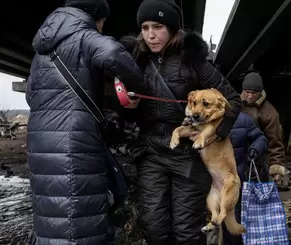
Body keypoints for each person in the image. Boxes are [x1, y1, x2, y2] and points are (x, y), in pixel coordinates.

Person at [120, 0, 242, 244]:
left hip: (188, 157)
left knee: (186, 231)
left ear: (173, 29)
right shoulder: (135, 61)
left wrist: (214, 134)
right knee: (154, 229)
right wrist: (127, 106)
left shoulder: (193, 61)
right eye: (144, 28)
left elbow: (232, 100)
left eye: (158, 27)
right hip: (151, 153)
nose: (150, 35)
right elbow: (124, 111)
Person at [26, 0, 146, 244]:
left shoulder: (42, 51)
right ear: (95, 17)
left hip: (39, 141)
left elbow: (31, 95)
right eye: (102, 23)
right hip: (75, 139)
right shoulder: (84, 35)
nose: (101, 28)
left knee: (51, 206)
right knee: (78, 211)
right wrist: (138, 86)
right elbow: (113, 54)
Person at [222, 112, 268, 245]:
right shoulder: (201, 117)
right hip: (213, 177)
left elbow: (260, 138)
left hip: (238, 173)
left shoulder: (243, 119)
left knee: (236, 215)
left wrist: (254, 150)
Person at [240, 72, 286, 181]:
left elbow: (274, 141)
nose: (250, 96)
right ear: (242, 91)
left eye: (254, 93)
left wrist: (276, 165)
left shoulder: (269, 112)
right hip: (234, 160)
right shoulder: (234, 105)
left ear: (260, 92)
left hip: (256, 161)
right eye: (247, 92)